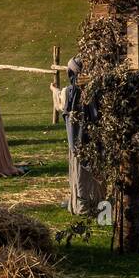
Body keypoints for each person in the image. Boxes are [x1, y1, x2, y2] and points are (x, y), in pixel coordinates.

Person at [51, 56, 104, 215]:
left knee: (80, 173)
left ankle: (82, 206)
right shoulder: (97, 90)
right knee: (96, 170)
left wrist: (53, 90)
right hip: (95, 139)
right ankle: (99, 203)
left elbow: (60, 103)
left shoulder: (69, 92)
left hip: (77, 141)